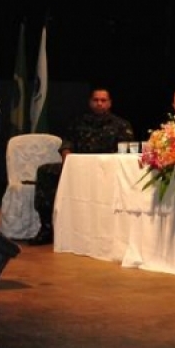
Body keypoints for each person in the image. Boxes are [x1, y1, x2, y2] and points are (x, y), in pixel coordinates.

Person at [29, 88, 134, 245]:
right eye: (96, 100)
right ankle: (47, 228)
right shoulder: (78, 122)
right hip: (78, 169)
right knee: (46, 171)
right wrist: (66, 154)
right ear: (90, 102)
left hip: (107, 171)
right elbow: (67, 143)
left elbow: (125, 151)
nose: (99, 103)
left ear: (110, 103)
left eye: (103, 100)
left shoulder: (121, 125)